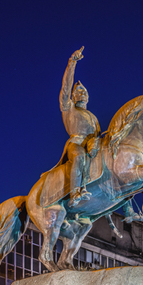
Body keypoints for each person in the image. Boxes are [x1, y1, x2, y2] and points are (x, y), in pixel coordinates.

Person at [59, 46, 100, 207]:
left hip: (92, 147)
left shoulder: (94, 118)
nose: (82, 94)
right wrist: (72, 63)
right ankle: (75, 192)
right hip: (75, 144)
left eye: (84, 92)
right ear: (73, 96)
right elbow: (66, 88)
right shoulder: (68, 108)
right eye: (79, 92)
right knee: (79, 156)